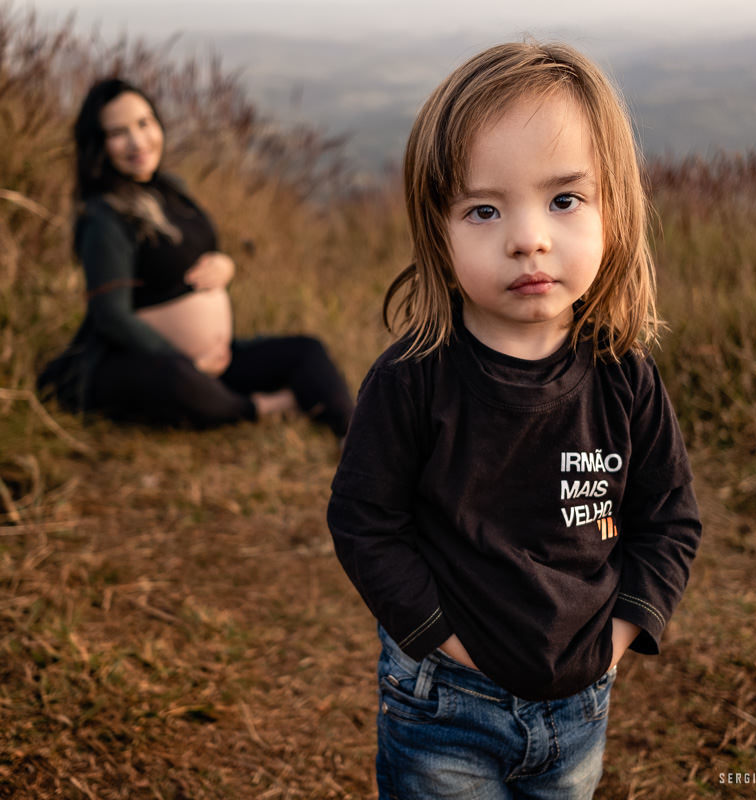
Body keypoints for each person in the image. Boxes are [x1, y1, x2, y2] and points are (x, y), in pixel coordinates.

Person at [327, 42, 702, 799]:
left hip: (580, 706)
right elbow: (365, 521)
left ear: (612, 209)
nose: (528, 237)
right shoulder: (413, 379)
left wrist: (618, 638)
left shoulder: (623, 374)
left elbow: (669, 517)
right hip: (444, 704)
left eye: (564, 200)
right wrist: (440, 639)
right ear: (440, 233)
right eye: (484, 209)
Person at [37, 78, 353, 438]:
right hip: (146, 363)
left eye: (144, 123)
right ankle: (261, 407)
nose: (137, 141)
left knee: (307, 351)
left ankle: (356, 434)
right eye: (118, 133)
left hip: (215, 358)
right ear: (98, 144)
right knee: (180, 382)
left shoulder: (172, 190)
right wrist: (183, 360)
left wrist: (226, 265)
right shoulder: (105, 217)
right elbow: (111, 315)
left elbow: (199, 251)